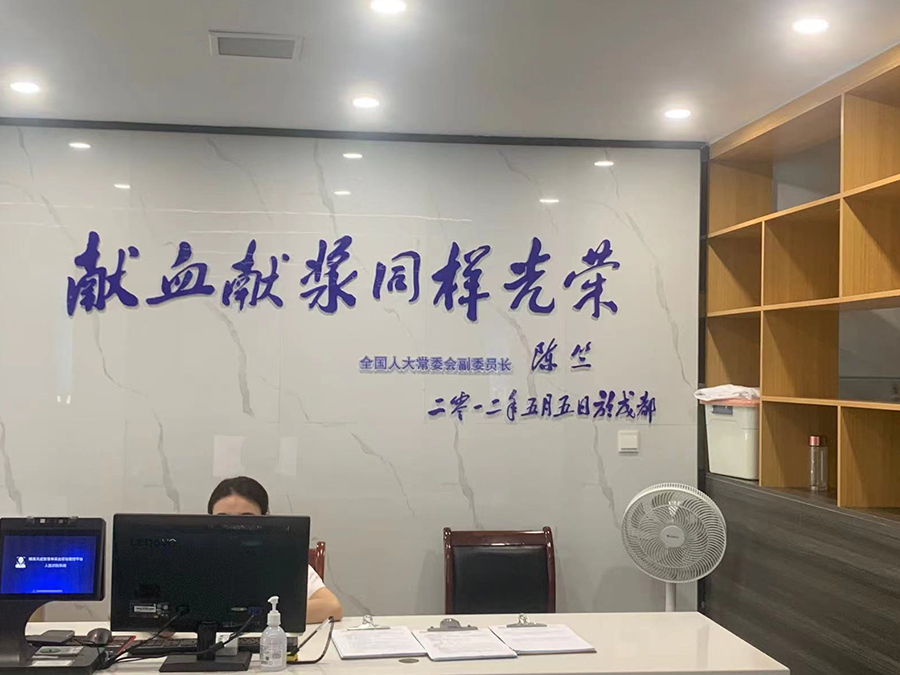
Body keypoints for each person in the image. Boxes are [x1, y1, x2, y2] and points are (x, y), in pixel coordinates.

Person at [207, 476, 343, 623]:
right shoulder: (194, 560)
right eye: (223, 519)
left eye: (247, 519)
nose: (235, 528)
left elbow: (332, 608)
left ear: (265, 521)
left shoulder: (284, 560)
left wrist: (262, 616)